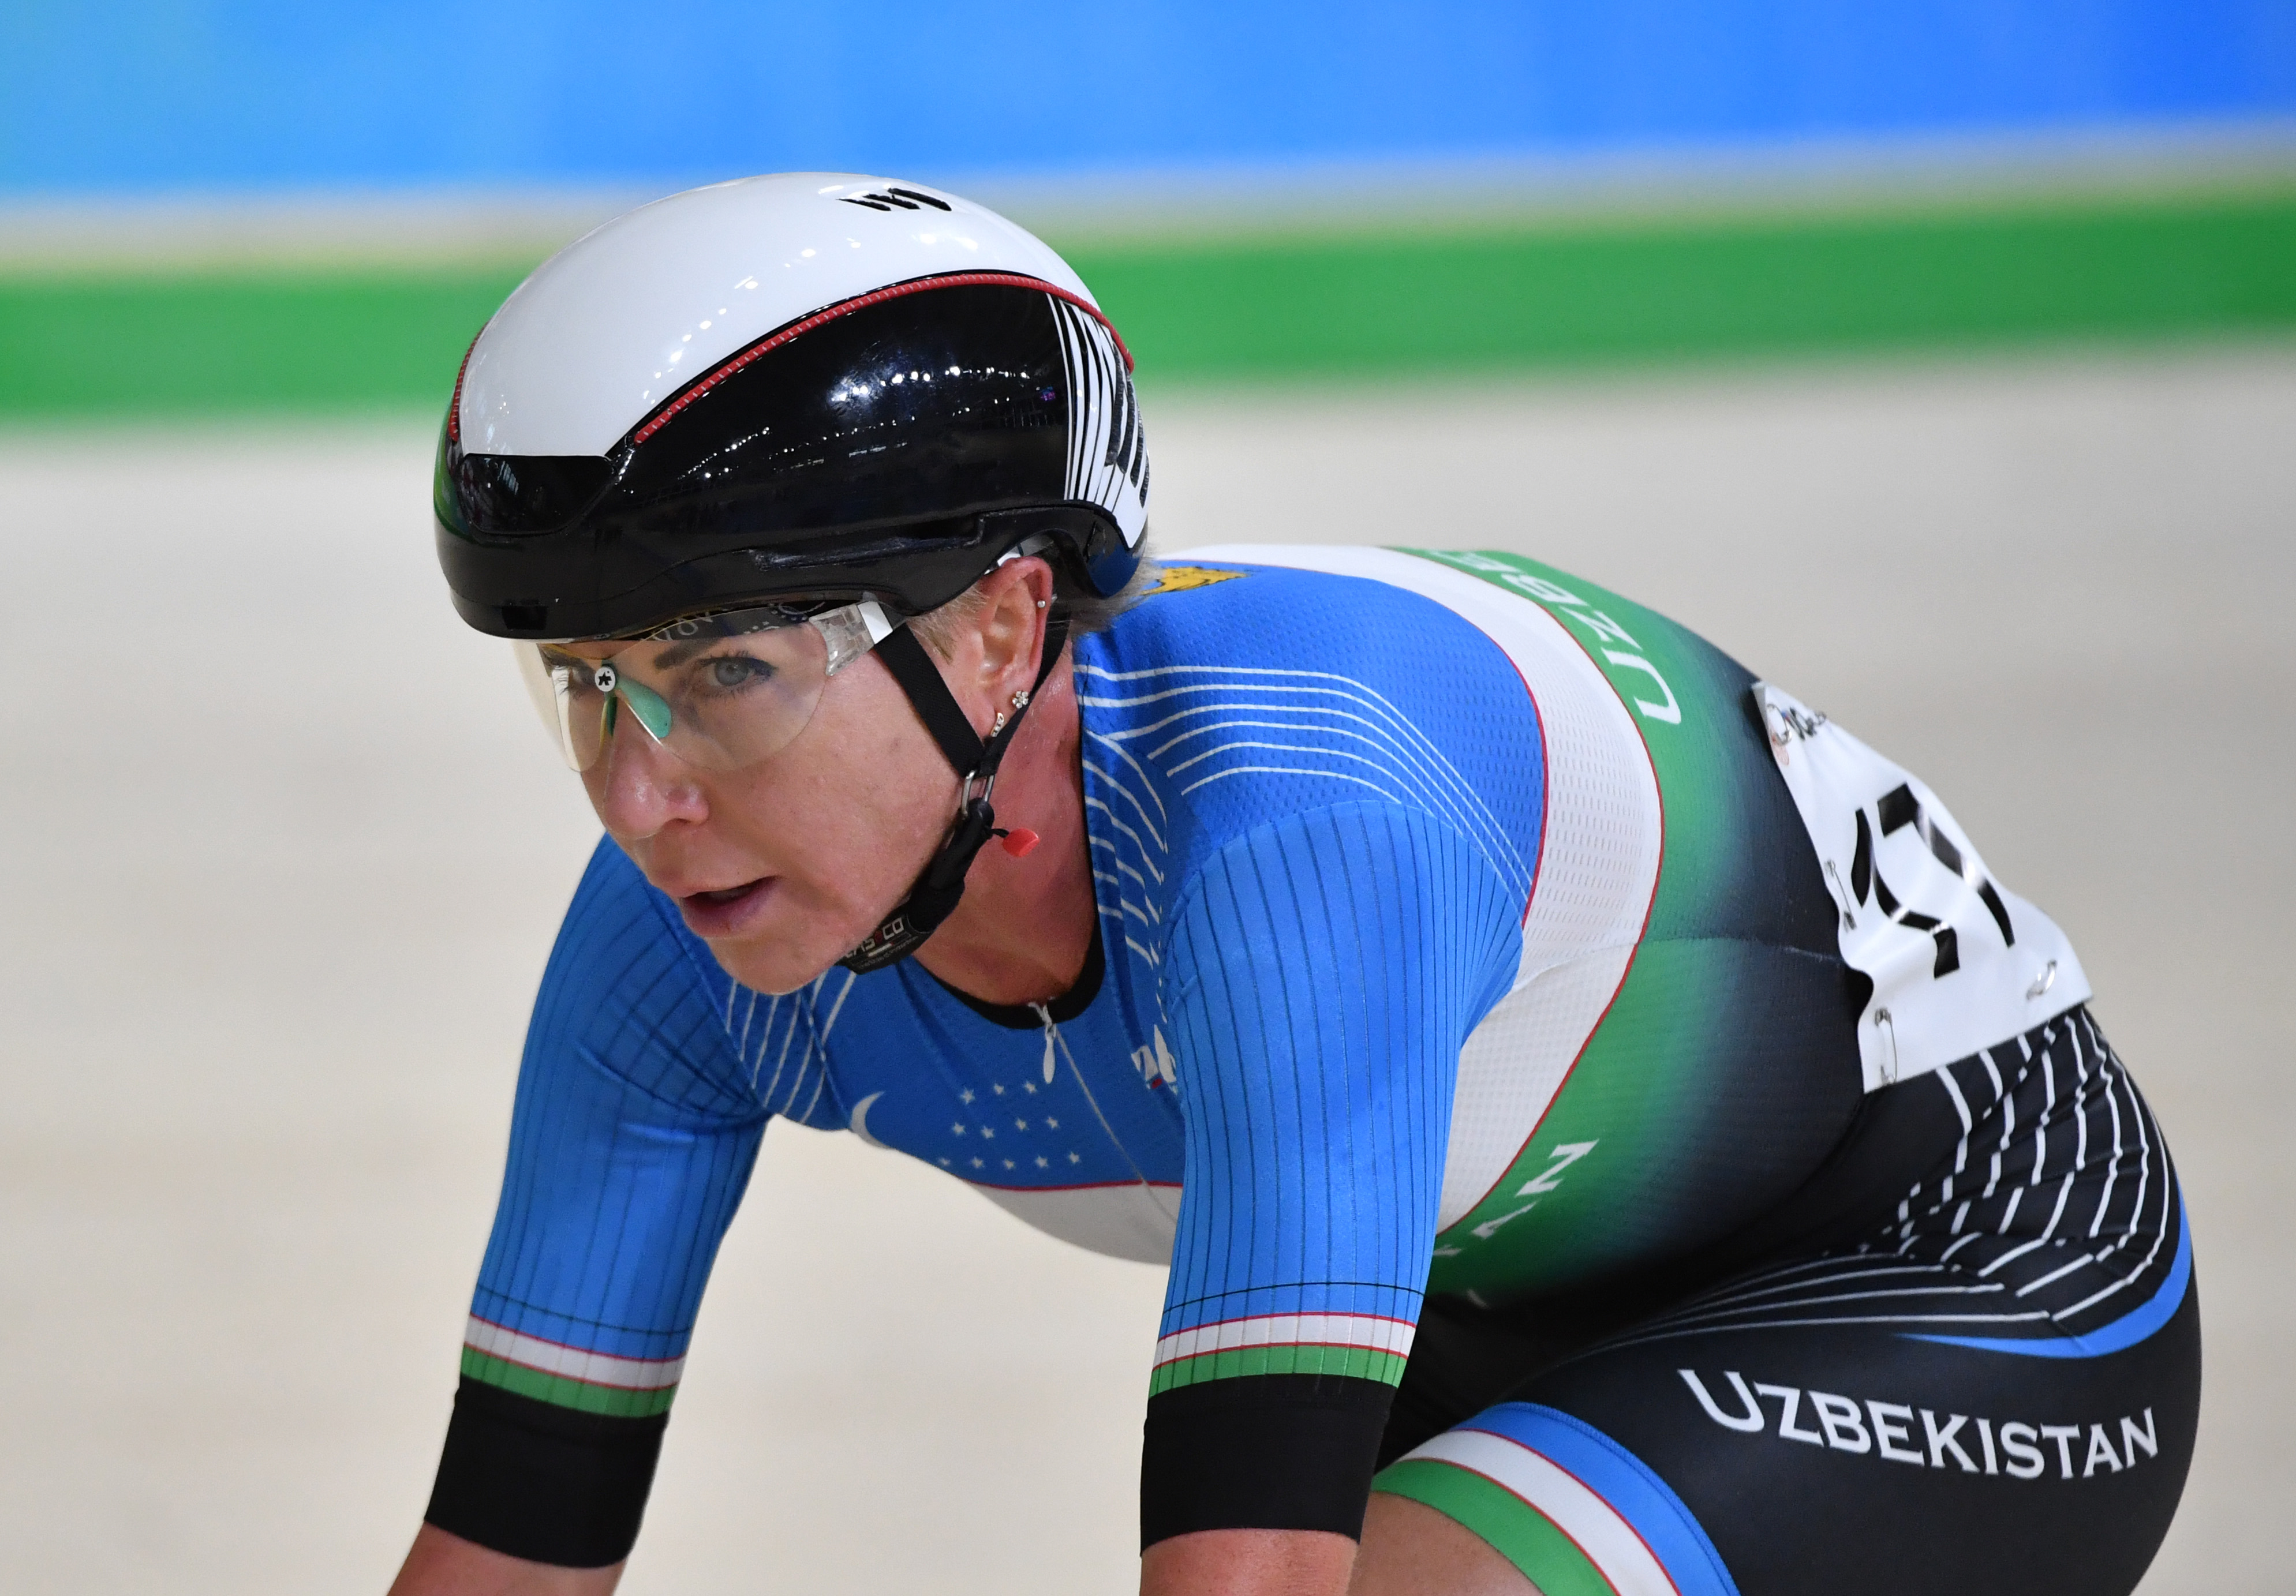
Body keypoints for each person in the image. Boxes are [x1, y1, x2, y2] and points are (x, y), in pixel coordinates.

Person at [390, 174, 2197, 1596]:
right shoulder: (681, 934)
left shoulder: (1296, 836)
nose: (640, 796)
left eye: (724, 673)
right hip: (1506, 1306)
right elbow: (506, 1554)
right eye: (583, 685)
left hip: (1952, 1267)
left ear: (1003, 625)